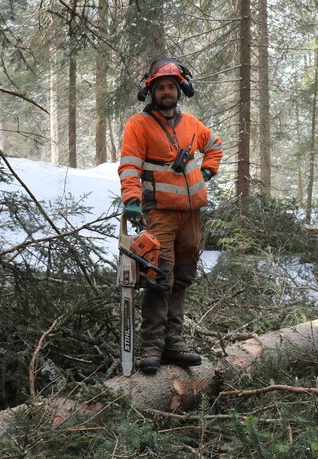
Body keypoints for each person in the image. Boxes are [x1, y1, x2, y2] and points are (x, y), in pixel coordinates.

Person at [118, 57, 223, 375]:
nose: (166, 92)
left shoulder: (192, 124)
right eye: (161, 87)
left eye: (171, 86)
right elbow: (129, 165)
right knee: (158, 277)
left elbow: (215, 145)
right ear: (151, 92)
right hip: (160, 213)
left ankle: (174, 343)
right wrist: (132, 200)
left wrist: (207, 170)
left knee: (182, 277)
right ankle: (151, 346)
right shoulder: (139, 125)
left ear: (181, 89)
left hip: (191, 215)